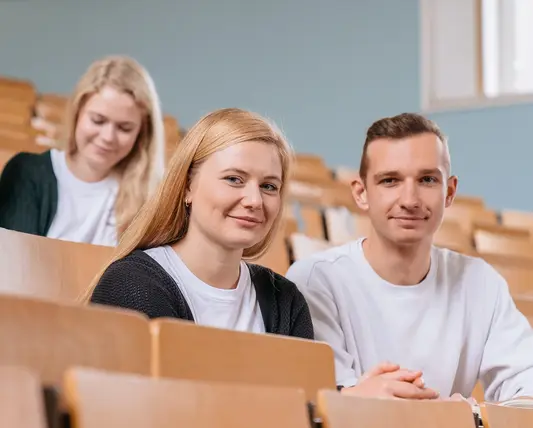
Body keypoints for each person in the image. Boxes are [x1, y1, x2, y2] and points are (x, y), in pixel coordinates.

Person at [286, 112, 533, 402]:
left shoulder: (481, 282)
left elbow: (526, 386)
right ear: (361, 192)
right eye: (390, 181)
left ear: (449, 192)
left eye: (427, 180)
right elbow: (332, 406)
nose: (410, 200)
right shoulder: (314, 281)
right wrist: (454, 413)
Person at [83, 108, 313, 339]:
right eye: (234, 179)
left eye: (269, 186)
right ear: (187, 186)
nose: (255, 200)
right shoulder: (131, 284)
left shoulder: (286, 300)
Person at [0, 56, 165, 245]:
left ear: (141, 134)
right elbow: (16, 264)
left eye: (125, 128)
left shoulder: (151, 197)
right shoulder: (27, 173)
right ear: (78, 112)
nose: (108, 137)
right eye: (98, 120)